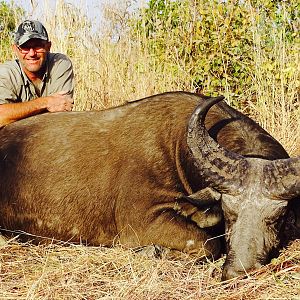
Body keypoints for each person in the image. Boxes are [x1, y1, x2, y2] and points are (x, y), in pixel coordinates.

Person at [0, 19, 74, 127]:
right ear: (15, 49)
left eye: (38, 46)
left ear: (48, 46)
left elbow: (60, 116)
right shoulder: (7, 73)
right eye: (25, 47)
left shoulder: (60, 63)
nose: (32, 53)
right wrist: (46, 102)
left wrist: (15, 113)